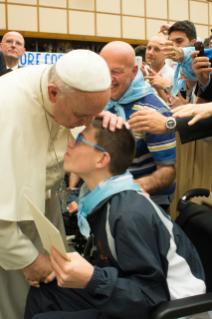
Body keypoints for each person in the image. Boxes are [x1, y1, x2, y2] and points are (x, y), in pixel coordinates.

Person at [24, 119, 206, 319]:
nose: (70, 143)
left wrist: (91, 278)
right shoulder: (101, 200)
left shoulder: (127, 213)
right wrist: (67, 270)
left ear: (102, 159)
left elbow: (151, 298)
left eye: (80, 140)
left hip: (169, 310)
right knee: (44, 292)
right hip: (136, 296)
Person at [0, 49, 123, 319]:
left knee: (55, 288)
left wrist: (104, 125)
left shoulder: (70, 96)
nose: (87, 123)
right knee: (14, 300)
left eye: (96, 112)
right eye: (83, 115)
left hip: (47, 206)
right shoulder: (6, 105)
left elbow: (85, 125)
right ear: (53, 93)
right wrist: (28, 259)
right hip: (8, 226)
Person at [100, 41, 176, 211]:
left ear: (134, 72)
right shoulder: (99, 102)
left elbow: (167, 172)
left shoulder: (154, 110)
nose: (108, 78)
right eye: (104, 71)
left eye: (117, 72)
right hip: (106, 197)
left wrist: (130, 187)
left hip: (147, 203)